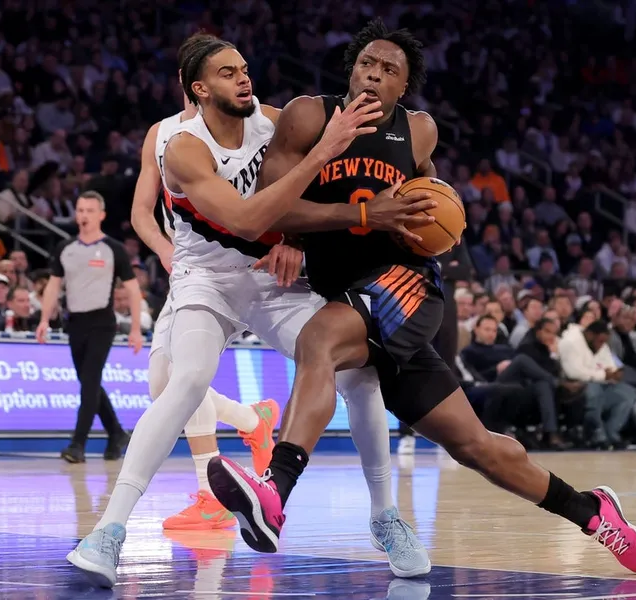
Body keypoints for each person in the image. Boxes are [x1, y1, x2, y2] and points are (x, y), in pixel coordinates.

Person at [207, 19, 636, 576]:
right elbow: (270, 206)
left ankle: (275, 491)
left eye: (388, 69)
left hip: (405, 283)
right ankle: (593, 512)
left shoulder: (418, 131)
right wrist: (346, 217)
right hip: (345, 291)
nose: (374, 74)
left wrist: (438, 220)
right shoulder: (308, 116)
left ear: (404, 86)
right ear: (351, 70)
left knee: (318, 341)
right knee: (477, 448)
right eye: (366, 63)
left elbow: (433, 198)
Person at [66, 33, 439, 588]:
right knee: (185, 381)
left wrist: (292, 237)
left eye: (244, 69)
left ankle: (386, 517)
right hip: (206, 280)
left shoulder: (277, 121)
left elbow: (312, 193)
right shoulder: (181, 146)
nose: (244, 78)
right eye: (228, 73)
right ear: (199, 89)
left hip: (271, 279)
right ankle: (108, 532)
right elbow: (244, 219)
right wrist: (320, 157)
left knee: (359, 372)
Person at [130, 92, 280, 531]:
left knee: (178, 380)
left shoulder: (258, 122)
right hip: (195, 269)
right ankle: (253, 420)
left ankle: (211, 495)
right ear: (193, 82)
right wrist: (164, 249)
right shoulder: (162, 133)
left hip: (250, 264)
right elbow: (141, 212)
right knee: (163, 384)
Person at [36, 191, 144, 464]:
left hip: (102, 323)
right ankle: (116, 433)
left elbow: (133, 290)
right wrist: (44, 319)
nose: (84, 215)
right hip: (75, 323)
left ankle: (78, 444)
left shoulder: (113, 249)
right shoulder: (65, 248)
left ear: (101, 215)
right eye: (80, 210)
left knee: (90, 382)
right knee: (89, 382)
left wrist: (135, 329)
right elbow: (53, 286)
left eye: (90, 211)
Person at [559, 320, 636, 449]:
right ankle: (597, 435)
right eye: (600, 341)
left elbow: (610, 366)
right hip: (574, 388)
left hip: (600, 384)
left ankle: (612, 433)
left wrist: (614, 373)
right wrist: (603, 375)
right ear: (590, 335)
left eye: (604, 342)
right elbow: (573, 372)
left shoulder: (602, 345)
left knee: (628, 393)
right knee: (594, 391)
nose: (602, 345)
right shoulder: (570, 342)